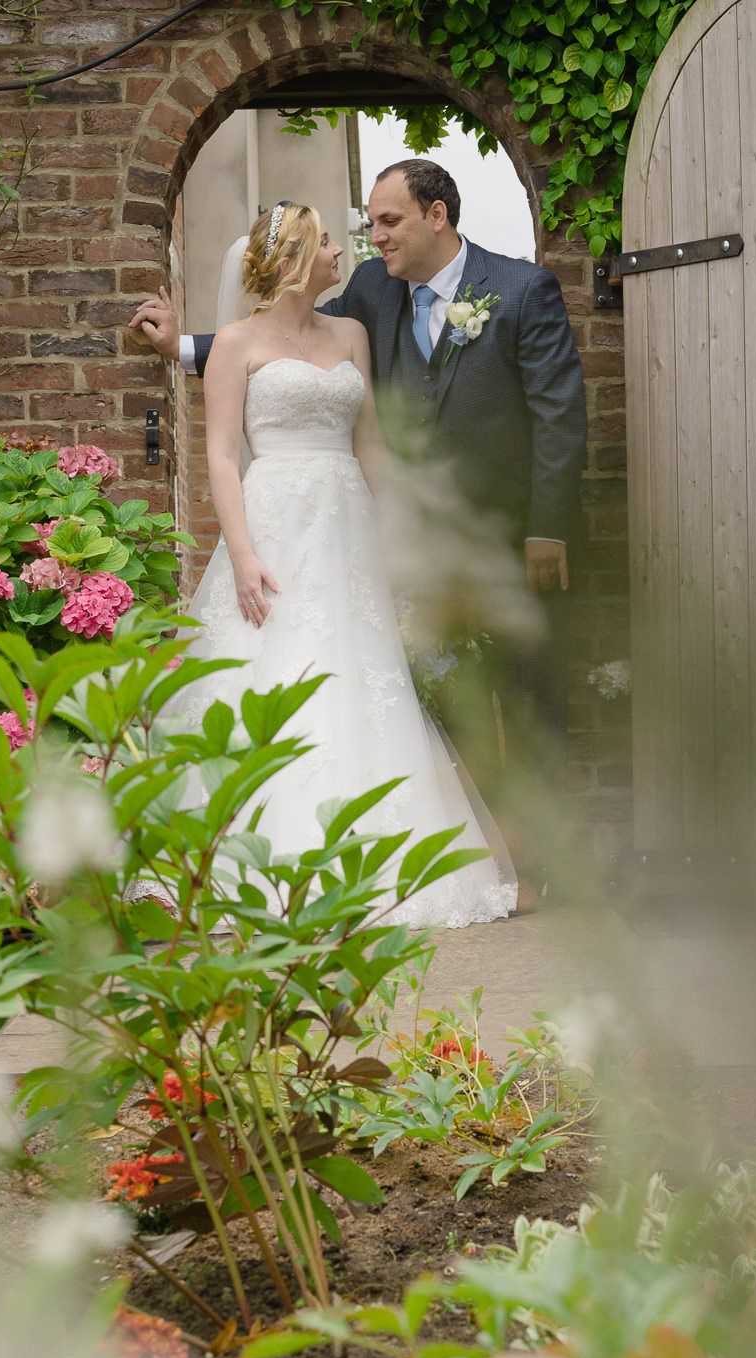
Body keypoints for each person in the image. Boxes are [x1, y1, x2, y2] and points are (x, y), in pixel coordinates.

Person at [129, 161, 588, 842]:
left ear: (436, 215)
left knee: (517, 690)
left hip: (486, 526)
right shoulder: (373, 289)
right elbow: (272, 341)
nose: (366, 240)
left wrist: (543, 528)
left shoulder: (520, 290)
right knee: (393, 681)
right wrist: (179, 346)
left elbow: (558, 414)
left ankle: (540, 859)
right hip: (293, 520)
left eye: (385, 221)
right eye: (356, 227)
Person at [153, 198, 518, 930]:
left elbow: (370, 444)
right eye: (325, 243)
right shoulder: (234, 343)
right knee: (270, 664)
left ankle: (377, 858)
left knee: (358, 667)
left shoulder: (351, 330)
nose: (340, 253)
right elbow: (222, 456)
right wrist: (246, 555)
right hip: (273, 520)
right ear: (291, 256)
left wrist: (396, 534)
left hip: (345, 518)